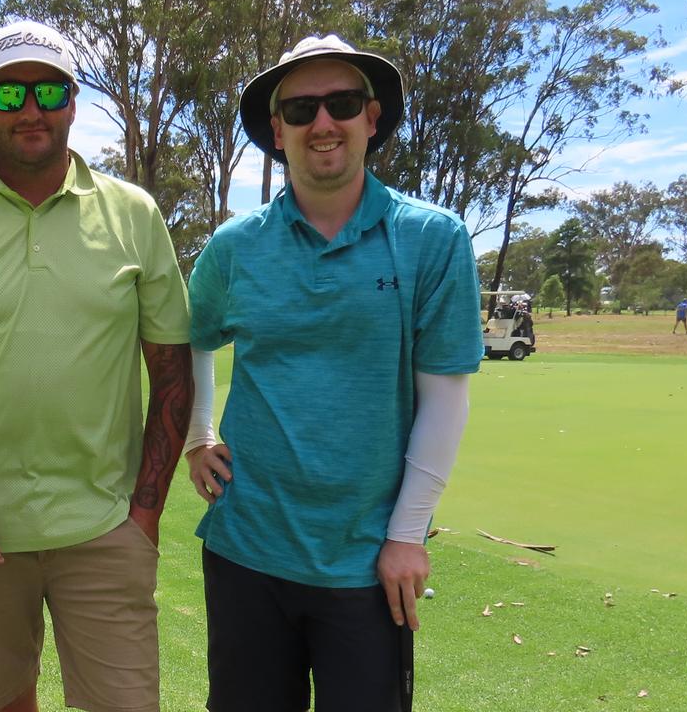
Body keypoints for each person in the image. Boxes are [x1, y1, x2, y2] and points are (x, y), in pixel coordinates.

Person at [0, 20, 192, 712]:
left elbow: (171, 367)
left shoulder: (133, 215)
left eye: (48, 90)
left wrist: (144, 514)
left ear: (74, 101)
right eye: (9, 91)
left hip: (105, 533)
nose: (30, 108)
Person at [184, 35, 483, 711]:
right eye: (300, 108)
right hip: (247, 550)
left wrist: (407, 537)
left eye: (342, 104)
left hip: (367, 562)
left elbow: (446, 398)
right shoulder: (235, 247)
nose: (323, 123)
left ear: (371, 119)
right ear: (276, 129)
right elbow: (191, 340)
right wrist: (197, 434)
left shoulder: (433, 238)